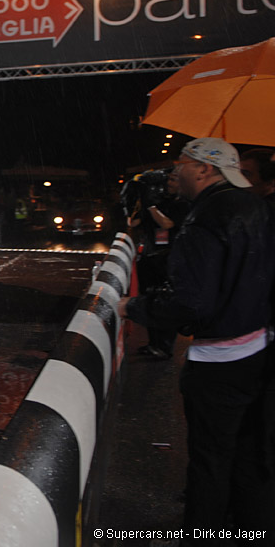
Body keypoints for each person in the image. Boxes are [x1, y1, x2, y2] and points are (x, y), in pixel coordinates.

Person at [119, 137, 275, 538]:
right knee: (250, 454)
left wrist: (134, 308)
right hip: (259, 349)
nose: (174, 173)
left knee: (211, 459)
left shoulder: (206, 217)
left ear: (206, 169)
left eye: (181, 165)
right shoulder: (256, 207)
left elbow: (191, 304)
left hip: (219, 361)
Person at [125, 168, 190, 359]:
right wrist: (136, 201)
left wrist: (152, 206)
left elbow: (167, 224)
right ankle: (153, 343)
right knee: (150, 297)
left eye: (175, 180)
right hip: (151, 256)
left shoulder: (184, 204)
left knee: (164, 299)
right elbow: (133, 223)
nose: (170, 184)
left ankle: (164, 346)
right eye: (169, 179)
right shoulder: (159, 201)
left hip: (169, 258)